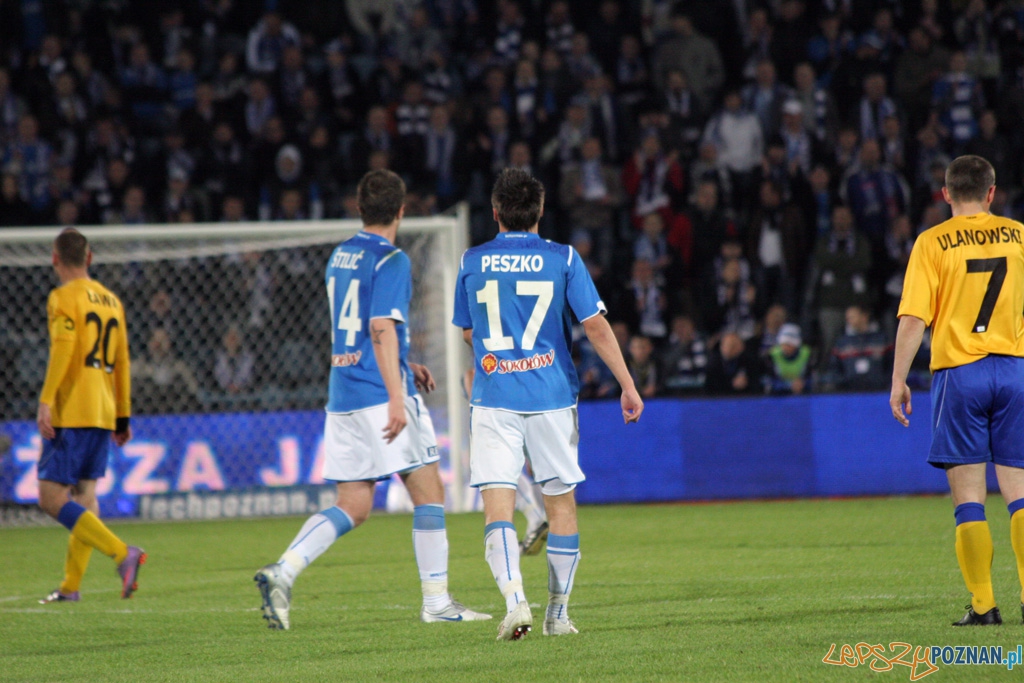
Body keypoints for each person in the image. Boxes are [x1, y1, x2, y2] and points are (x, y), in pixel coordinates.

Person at [254, 170, 490, 630]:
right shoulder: (392, 260)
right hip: (380, 393)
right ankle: (437, 603)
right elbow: (380, 326)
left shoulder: (341, 255)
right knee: (429, 492)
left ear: (359, 208)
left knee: (354, 504)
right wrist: (397, 396)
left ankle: (284, 570)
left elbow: (363, 328)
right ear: (402, 211)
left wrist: (407, 362)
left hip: (344, 392)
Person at [453, 168, 644, 640]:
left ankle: (515, 600)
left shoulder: (471, 261)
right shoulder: (563, 257)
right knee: (560, 506)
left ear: (495, 213)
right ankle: (557, 615)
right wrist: (627, 383)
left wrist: (494, 360)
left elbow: (468, 330)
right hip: (552, 397)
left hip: (495, 397)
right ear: (539, 211)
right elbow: (595, 326)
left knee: (497, 505)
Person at [890, 155, 1024, 627]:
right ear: (992, 193)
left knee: (969, 495)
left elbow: (912, 319)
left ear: (945, 194)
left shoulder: (932, 242)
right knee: (1020, 492)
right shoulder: (1019, 236)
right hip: (1014, 370)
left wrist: (898, 380)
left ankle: (985, 605)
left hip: (960, 373)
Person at [36, 228, 145, 604]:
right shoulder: (112, 301)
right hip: (102, 409)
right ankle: (70, 586)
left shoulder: (63, 297)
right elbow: (124, 361)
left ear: (55, 258)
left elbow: (64, 349)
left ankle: (121, 553)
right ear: (90, 258)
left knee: (51, 498)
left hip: (73, 409)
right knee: (84, 496)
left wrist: (47, 399)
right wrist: (123, 415)